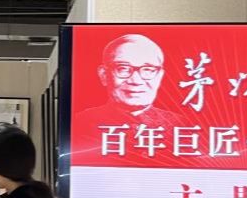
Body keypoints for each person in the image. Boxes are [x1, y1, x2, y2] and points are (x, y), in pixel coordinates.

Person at [72, 34, 180, 164]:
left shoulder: (182, 126)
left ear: (159, 76)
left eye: (148, 70)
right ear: (104, 75)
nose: (136, 81)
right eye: (123, 68)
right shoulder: (79, 124)